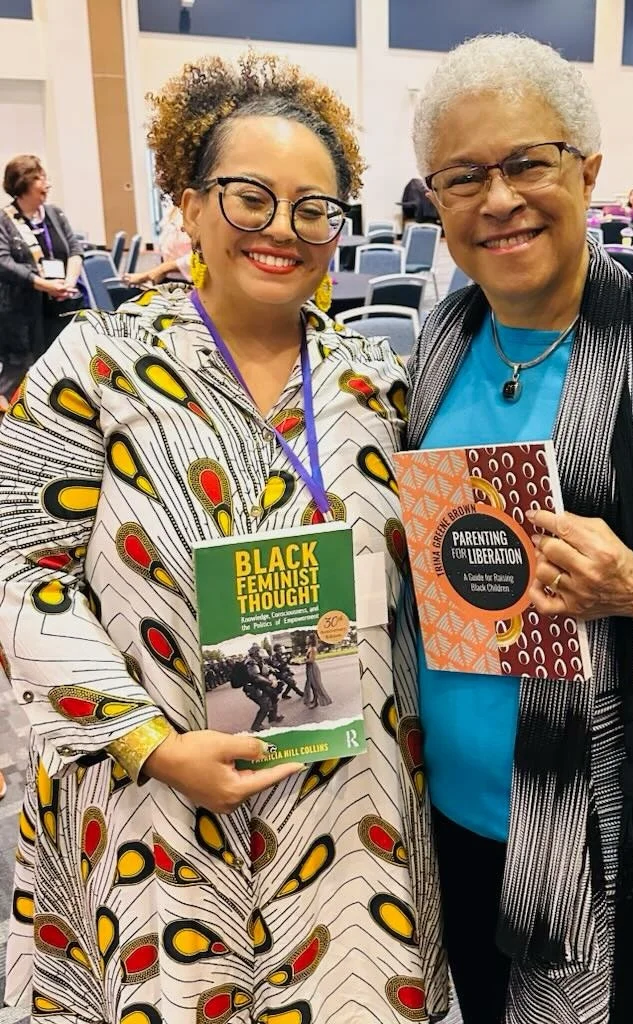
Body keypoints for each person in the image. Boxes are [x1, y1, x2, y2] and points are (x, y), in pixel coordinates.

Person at [0, 51, 447, 1023]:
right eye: (251, 197)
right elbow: (20, 572)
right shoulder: (97, 367)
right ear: (191, 203)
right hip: (152, 803)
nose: (282, 228)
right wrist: (150, 744)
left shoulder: (379, 384)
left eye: (314, 209)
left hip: (347, 814)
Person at [408, 32, 633, 1024]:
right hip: (448, 814)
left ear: (588, 170)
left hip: (608, 832)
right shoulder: (443, 339)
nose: (498, 198)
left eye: (528, 161)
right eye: (462, 176)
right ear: (436, 200)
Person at [0, 154, 83, 407]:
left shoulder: (55, 214)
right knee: (18, 369)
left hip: (59, 304)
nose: (47, 184)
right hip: (21, 311)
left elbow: (75, 250)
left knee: (59, 363)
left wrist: (69, 282)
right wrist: (43, 284)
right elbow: (3, 262)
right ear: (23, 184)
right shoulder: (4, 220)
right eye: (40, 178)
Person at [303, 634, 332, 708]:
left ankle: (317, 702)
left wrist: (304, 661)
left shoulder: (313, 649)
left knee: (315, 685)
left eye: (307, 638)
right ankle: (314, 700)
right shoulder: (309, 647)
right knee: (311, 685)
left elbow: (312, 660)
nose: (306, 640)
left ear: (311, 640)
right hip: (309, 668)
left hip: (312, 668)